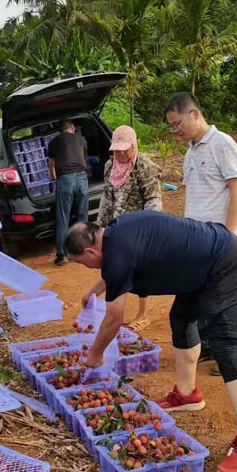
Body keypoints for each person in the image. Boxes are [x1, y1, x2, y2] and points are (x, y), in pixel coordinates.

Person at [66, 214, 237, 472]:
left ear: (90, 250)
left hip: (225, 262)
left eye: (83, 263)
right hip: (198, 267)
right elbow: (117, 267)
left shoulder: (116, 255)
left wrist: (95, 355)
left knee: (226, 346)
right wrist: (95, 290)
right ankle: (187, 394)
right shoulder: (115, 234)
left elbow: (114, 318)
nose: (88, 268)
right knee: (182, 318)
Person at [166, 92, 237, 375]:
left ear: (195, 114)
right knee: (201, 297)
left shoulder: (222, 144)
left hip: (219, 239)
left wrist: (228, 234)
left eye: (177, 124)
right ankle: (208, 348)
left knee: (223, 301)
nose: (175, 131)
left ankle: (229, 359)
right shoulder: (191, 150)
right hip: (197, 239)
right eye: (171, 127)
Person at [97, 124, 162, 331]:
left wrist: (149, 231)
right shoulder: (110, 166)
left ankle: (143, 315)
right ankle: (116, 314)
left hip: (139, 229)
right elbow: (107, 198)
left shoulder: (144, 166)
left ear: (134, 145)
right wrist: (100, 226)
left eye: (125, 148)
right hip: (117, 227)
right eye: (117, 149)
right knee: (117, 268)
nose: (121, 153)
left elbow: (153, 200)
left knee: (140, 271)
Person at [48, 118, 89, 266]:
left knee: (63, 217)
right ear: (72, 128)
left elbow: (51, 163)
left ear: (60, 130)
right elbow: (82, 157)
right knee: (82, 216)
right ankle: (84, 251)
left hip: (65, 179)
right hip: (82, 177)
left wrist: (53, 177)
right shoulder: (81, 139)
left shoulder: (54, 142)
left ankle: (62, 255)